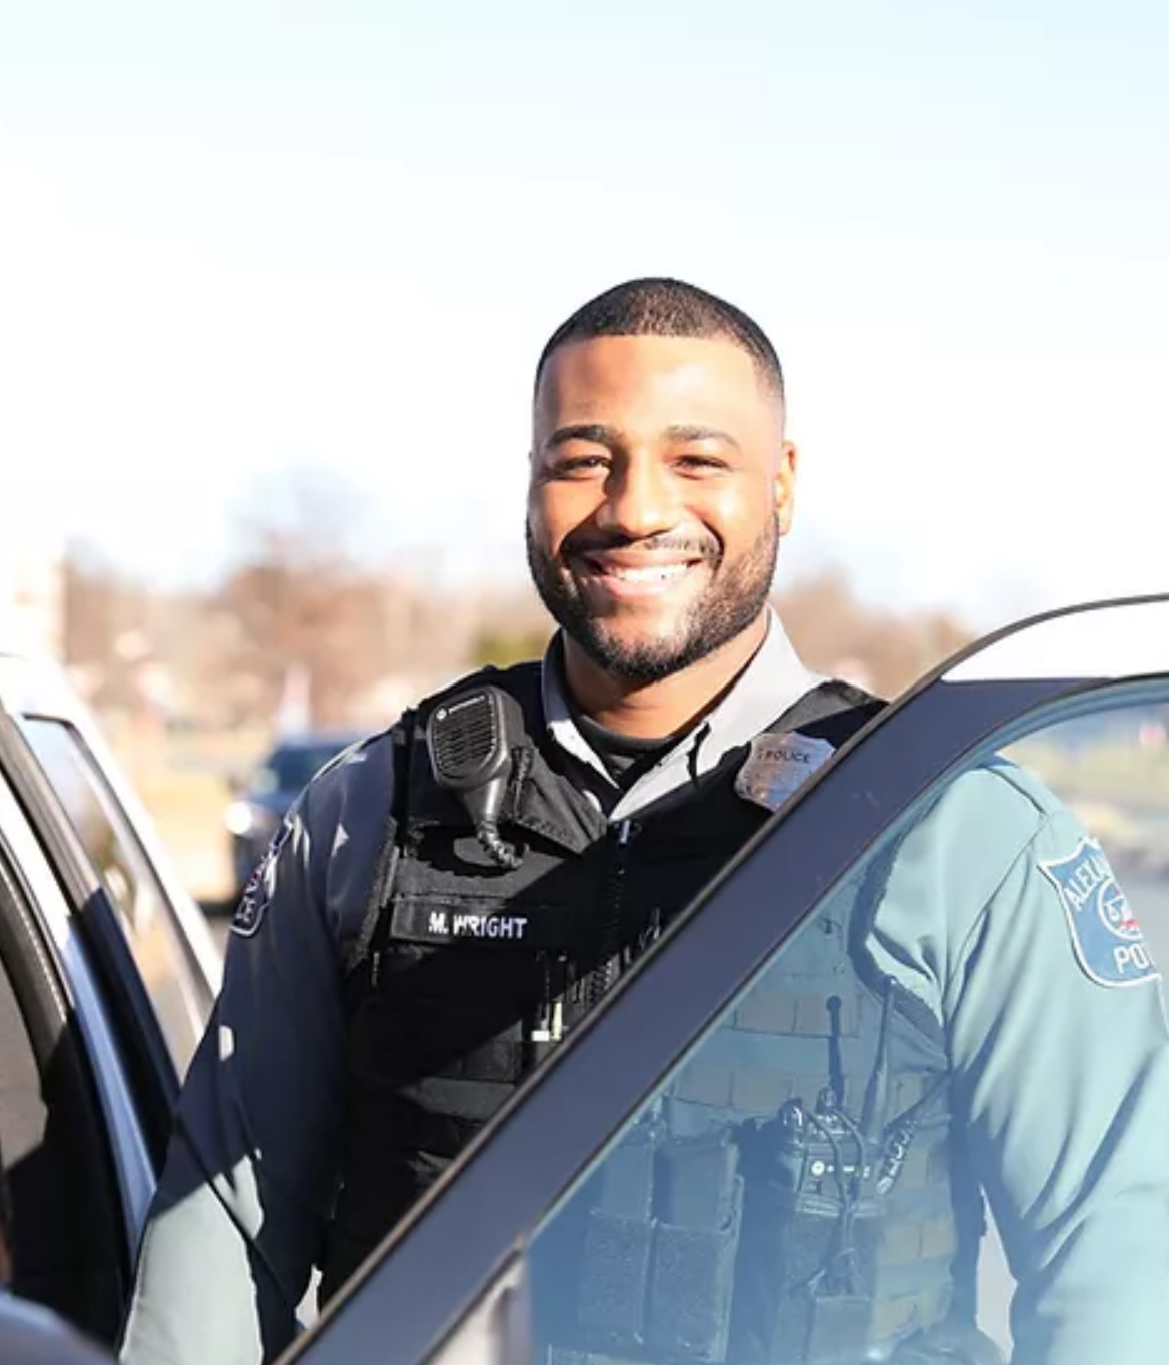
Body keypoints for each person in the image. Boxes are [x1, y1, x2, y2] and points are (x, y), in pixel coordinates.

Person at [119, 278, 1169, 1365]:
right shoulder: (365, 815)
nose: (634, 508)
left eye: (697, 460)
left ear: (784, 486)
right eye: (584, 460)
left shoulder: (951, 829)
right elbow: (225, 1230)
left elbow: (1118, 1267)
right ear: (532, 483)